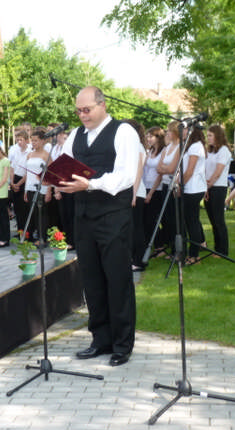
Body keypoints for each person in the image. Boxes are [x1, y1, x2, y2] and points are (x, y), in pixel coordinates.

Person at [58, 86, 138, 367]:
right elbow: (64, 164)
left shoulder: (123, 132)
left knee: (118, 280)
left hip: (113, 216)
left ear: (102, 105)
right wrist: (59, 180)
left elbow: (126, 176)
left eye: (87, 110)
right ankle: (100, 340)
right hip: (84, 216)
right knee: (91, 280)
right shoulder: (76, 135)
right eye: (78, 111)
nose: (82, 115)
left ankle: (122, 344)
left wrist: (91, 184)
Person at [181, 126, 207, 266]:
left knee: (192, 222)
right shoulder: (191, 146)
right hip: (190, 188)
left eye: (185, 128)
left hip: (193, 188)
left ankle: (194, 255)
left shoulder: (195, 146)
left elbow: (190, 170)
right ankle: (191, 252)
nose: (182, 131)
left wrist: (180, 185)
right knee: (191, 221)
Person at [205, 124, 232, 257]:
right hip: (208, 187)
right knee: (212, 219)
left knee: (218, 219)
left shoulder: (224, 151)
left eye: (210, 135)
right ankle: (217, 248)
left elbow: (218, 171)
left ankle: (223, 250)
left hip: (218, 188)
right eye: (207, 135)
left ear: (217, 136)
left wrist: (208, 185)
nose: (208, 138)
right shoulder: (210, 151)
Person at [155, 121, 181, 256]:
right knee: (167, 218)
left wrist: (165, 169)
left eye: (170, 131)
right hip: (165, 185)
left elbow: (172, 168)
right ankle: (170, 245)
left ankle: (177, 250)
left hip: (174, 186)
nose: (167, 133)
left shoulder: (179, 147)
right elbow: (158, 168)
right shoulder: (167, 147)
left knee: (174, 218)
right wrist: (166, 169)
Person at [124, 119, 147, 272]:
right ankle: (131, 257)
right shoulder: (131, 146)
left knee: (136, 227)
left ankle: (139, 260)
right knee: (130, 228)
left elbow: (138, 172)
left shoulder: (138, 146)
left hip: (136, 191)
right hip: (130, 190)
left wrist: (133, 194)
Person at [23, 127, 52, 243]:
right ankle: (34, 235)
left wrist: (48, 191)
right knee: (33, 213)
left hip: (42, 187)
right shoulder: (29, 155)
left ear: (42, 141)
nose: (33, 143)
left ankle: (42, 237)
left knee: (42, 213)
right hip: (30, 186)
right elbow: (27, 173)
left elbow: (50, 174)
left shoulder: (46, 155)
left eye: (36, 140)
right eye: (32, 140)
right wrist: (25, 191)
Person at [142, 126, 167, 255]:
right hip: (145, 186)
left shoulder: (163, 151)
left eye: (151, 136)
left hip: (156, 189)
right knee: (146, 219)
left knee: (152, 219)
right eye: (147, 136)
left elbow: (160, 174)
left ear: (158, 138)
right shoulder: (149, 151)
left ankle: (159, 247)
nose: (148, 138)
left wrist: (151, 193)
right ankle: (149, 244)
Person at [8, 128, 31, 234]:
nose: (19, 142)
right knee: (17, 209)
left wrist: (18, 184)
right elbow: (12, 167)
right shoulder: (16, 151)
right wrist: (12, 182)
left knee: (25, 208)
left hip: (24, 181)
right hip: (15, 179)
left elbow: (28, 171)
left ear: (26, 140)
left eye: (21, 140)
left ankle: (27, 233)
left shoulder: (30, 152)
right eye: (17, 140)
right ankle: (20, 231)